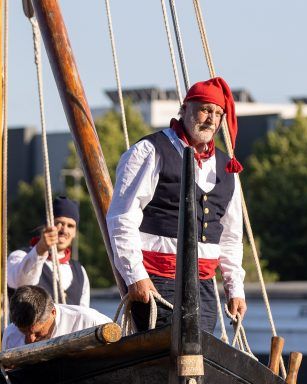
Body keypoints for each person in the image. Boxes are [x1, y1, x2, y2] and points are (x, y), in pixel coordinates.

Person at [106, 77, 247, 334]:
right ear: (184, 109)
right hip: (157, 281)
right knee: (170, 360)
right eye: (204, 109)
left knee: (197, 361)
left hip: (204, 287)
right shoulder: (150, 151)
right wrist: (135, 276)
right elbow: (122, 218)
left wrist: (235, 288)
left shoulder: (228, 168)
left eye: (217, 113)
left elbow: (231, 236)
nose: (211, 119)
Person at [8, 196, 91, 307]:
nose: (64, 230)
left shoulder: (80, 271)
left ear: (75, 232)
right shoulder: (19, 256)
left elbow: (83, 314)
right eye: (59, 223)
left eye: (70, 226)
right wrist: (40, 249)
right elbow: (21, 283)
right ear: (46, 226)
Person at [2, 285, 111, 349]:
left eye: (37, 333)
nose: (30, 340)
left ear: (52, 312)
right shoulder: (10, 335)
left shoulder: (90, 322)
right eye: (24, 332)